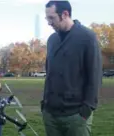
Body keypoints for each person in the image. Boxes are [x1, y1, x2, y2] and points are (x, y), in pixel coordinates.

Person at [41, 1, 102, 136]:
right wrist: (44, 105)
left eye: (52, 18)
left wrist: (87, 109)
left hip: (76, 115)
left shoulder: (87, 37)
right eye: (47, 18)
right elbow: (49, 73)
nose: (49, 23)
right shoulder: (52, 40)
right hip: (50, 114)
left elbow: (95, 76)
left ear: (65, 14)